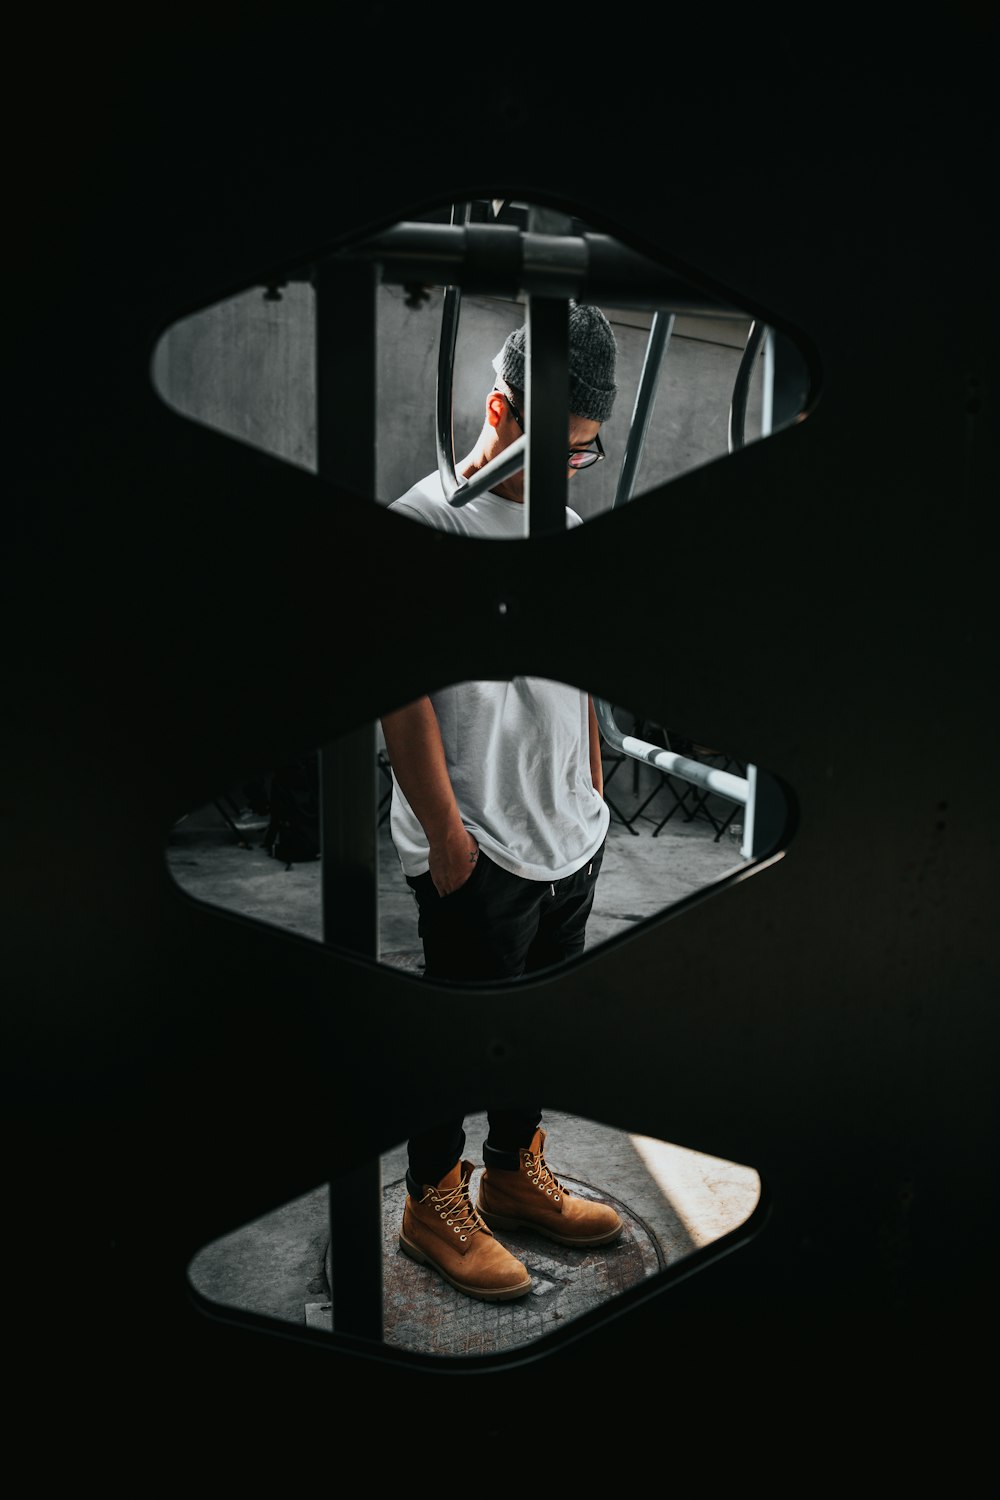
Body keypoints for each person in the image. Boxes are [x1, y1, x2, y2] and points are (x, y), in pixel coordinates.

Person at [380, 303, 624, 1303]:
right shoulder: (425, 523)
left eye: (586, 455)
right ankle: (431, 1201)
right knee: (460, 1033)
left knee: (541, 1025)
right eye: (560, 450)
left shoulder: (558, 525)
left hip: (568, 832)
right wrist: (444, 833)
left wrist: (594, 776)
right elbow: (400, 695)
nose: (570, 474)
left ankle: (514, 1177)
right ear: (498, 410)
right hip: (477, 844)